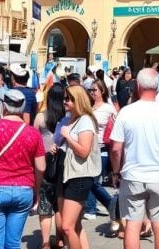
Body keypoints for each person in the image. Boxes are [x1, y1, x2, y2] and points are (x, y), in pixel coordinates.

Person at [108, 68, 159, 249]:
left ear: (138, 86)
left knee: (133, 225)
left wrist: (116, 172)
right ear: (156, 86)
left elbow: (116, 149)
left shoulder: (126, 113)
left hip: (133, 175)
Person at [0, 89, 46, 249]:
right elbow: (41, 166)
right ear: (23, 108)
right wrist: (36, 192)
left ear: (3, 106)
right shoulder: (33, 133)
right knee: (13, 243)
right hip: (23, 189)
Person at [56, 86, 100, 249]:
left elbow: (84, 151)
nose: (64, 101)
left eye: (68, 98)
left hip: (79, 176)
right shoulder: (71, 119)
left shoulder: (85, 120)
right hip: (69, 174)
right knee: (75, 225)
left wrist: (67, 136)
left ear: (78, 100)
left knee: (67, 227)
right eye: (64, 98)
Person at [34, 84, 66, 249]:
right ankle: (60, 239)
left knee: (45, 205)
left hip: (44, 163)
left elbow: (33, 139)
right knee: (59, 205)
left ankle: (45, 243)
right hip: (63, 164)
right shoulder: (68, 116)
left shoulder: (41, 117)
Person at [84, 79, 117, 227]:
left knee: (94, 181)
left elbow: (117, 127)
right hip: (86, 147)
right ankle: (91, 208)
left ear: (102, 91)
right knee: (90, 179)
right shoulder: (87, 107)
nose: (92, 92)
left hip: (101, 148)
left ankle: (110, 204)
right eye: (90, 90)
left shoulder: (108, 109)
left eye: (94, 90)